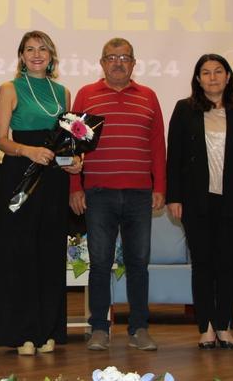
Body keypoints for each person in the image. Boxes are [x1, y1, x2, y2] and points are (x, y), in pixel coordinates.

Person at [69, 38, 166, 351]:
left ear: (134, 63)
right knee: (100, 263)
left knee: (138, 263)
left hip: (140, 193)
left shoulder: (149, 96)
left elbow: (157, 145)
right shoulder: (86, 95)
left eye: (124, 57)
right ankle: (99, 328)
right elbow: (73, 146)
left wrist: (160, 187)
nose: (118, 63)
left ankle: (139, 328)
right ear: (102, 63)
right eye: (111, 57)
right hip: (98, 193)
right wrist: (75, 187)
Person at [166, 53, 233, 349]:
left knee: (226, 264)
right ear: (198, 79)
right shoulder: (184, 109)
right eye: (206, 73)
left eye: (218, 71)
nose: (212, 77)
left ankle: (224, 325)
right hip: (195, 200)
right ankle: (206, 327)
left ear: (228, 76)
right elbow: (174, 157)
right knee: (202, 264)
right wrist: (174, 197)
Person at [0, 31, 81, 355]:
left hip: (54, 179)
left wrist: (74, 163)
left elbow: (65, 143)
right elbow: (0, 139)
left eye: (42, 49)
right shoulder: (9, 88)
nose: (36, 54)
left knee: (50, 253)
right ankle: (23, 333)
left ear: (51, 55)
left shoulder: (63, 92)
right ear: (21, 56)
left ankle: (48, 331)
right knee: (20, 252)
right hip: (19, 176)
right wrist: (28, 151)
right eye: (29, 49)